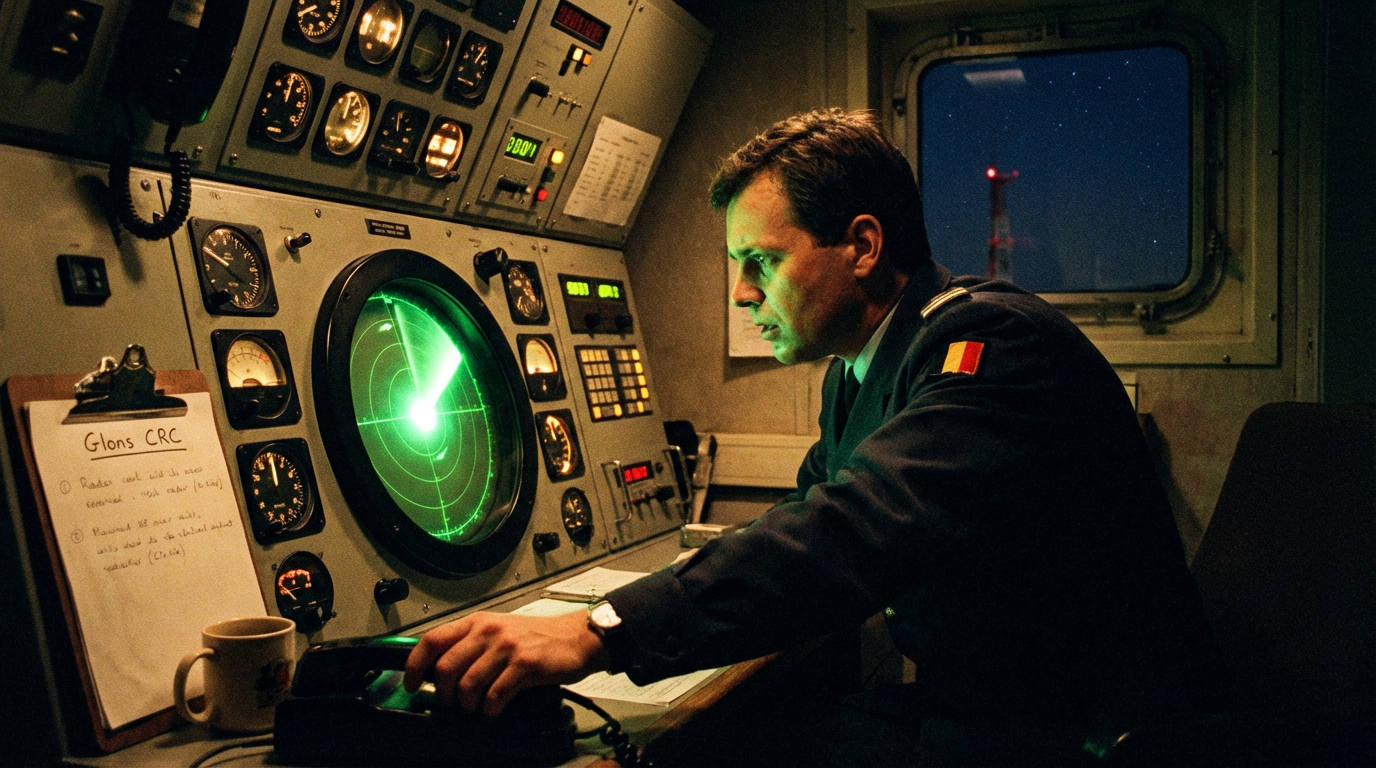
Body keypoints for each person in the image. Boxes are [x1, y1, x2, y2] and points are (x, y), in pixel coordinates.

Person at [405, 108, 1223, 765]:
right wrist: (646, 595)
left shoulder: (996, 350)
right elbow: (808, 510)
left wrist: (600, 630)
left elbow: (860, 528)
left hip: (1074, 732)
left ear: (863, 246)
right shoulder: (859, 370)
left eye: (760, 260)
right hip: (985, 707)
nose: (740, 291)